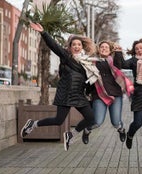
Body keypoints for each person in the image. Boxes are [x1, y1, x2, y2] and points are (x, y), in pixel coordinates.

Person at [20, 22, 97, 151]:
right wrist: (43, 32)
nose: (76, 46)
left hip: (78, 95)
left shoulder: (86, 63)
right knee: (58, 120)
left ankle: (71, 135)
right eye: (74, 45)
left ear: (82, 46)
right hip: (65, 94)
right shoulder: (66, 57)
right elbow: (54, 46)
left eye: (79, 44)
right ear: (70, 47)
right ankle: (33, 124)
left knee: (91, 118)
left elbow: (89, 81)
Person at [83, 40, 134, 143]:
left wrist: (118, 52)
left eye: (106, 47)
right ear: (99, 49)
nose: (104, 48)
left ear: (110, 50)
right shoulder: (92, 62)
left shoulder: (114, 60)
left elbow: (119, 66)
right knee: (97, 122)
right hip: (99, 95)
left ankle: (121, 129)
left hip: (115, 94)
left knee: (115, 122)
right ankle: (87, 130)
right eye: (102, 47)